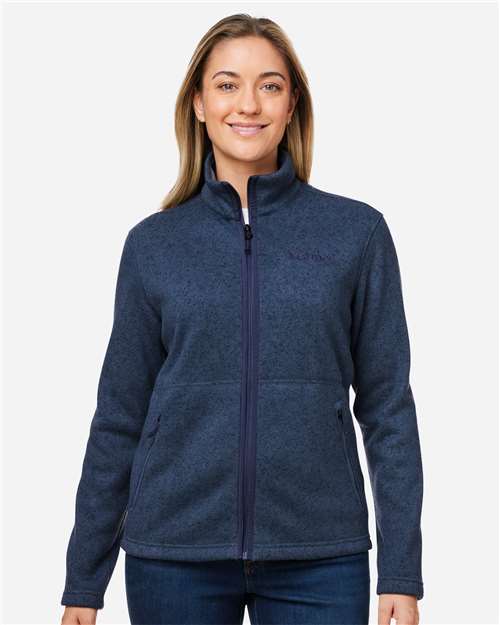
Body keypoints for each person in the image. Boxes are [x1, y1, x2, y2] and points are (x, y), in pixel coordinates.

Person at [60, 13, 424, 625]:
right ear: (199, 104)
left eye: (269, 85)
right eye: (227, 85)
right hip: (174, 554)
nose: (248, 104)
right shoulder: (154, 245)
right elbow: (120, 415)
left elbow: (389, 408)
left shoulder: (355, 233)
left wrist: (401, 572)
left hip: (320, 555)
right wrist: (83, 581)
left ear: (292, 104)